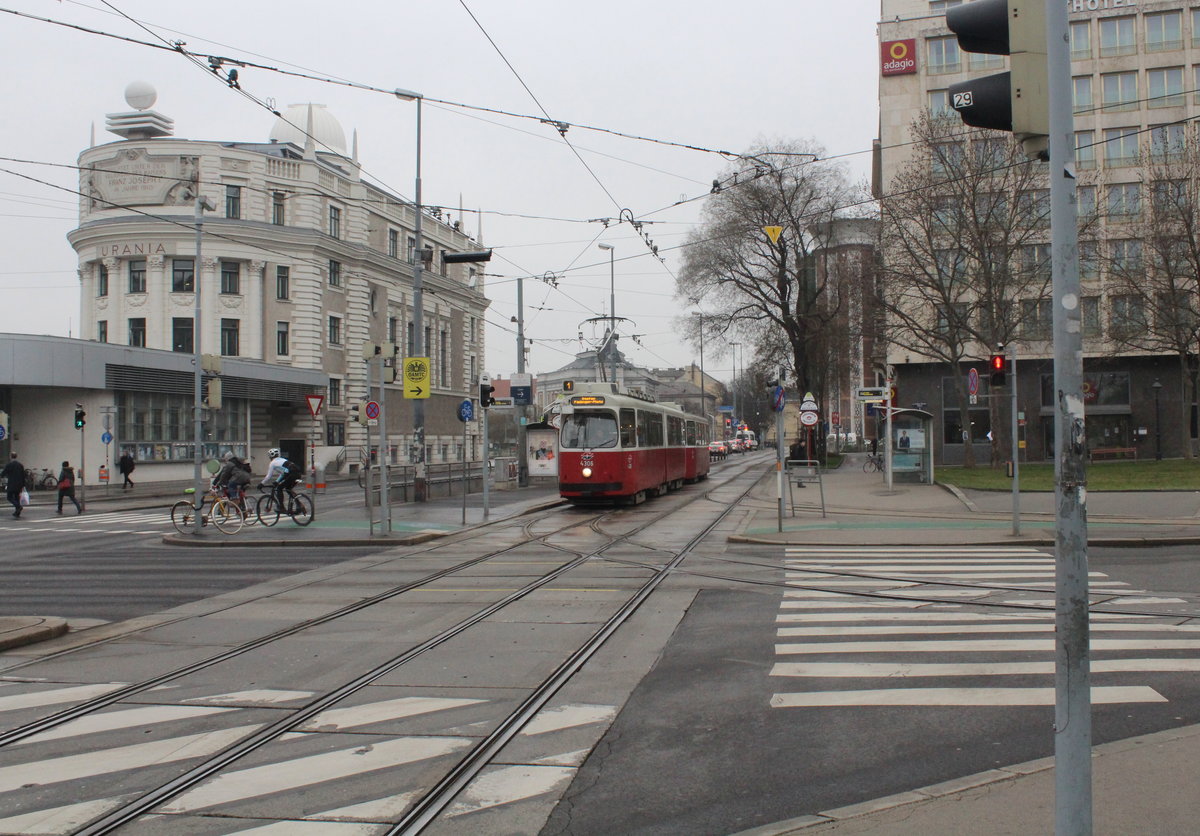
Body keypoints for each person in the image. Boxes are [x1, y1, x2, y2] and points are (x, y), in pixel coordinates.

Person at [2, 452, 27, 518]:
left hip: (12, 484)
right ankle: (17, 512)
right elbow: (23, 475)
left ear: (10, 457)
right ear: (16, 456)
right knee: (17, 497)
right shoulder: (20, 465)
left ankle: (18, 507)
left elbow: (3, 473)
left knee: (9, 497)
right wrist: (23, 485)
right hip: (19, 484)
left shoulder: (9, 465)